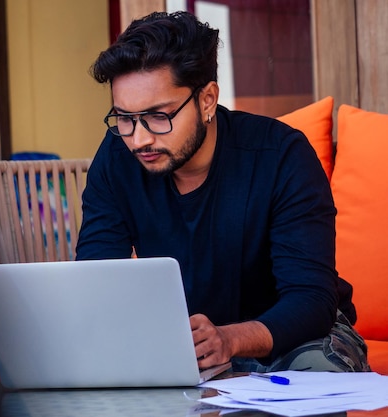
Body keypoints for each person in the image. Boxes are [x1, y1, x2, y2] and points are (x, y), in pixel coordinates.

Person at [75, 11, 370, 373]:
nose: (139, 139)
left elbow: (311, 300)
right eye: (124, 118)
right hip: (188, 341)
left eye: (158, 116)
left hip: (292, 336)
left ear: (207, 100)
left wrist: (229, 339)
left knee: (321, 373)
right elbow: (96, 279)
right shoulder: (118, 157)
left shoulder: (281, 155)